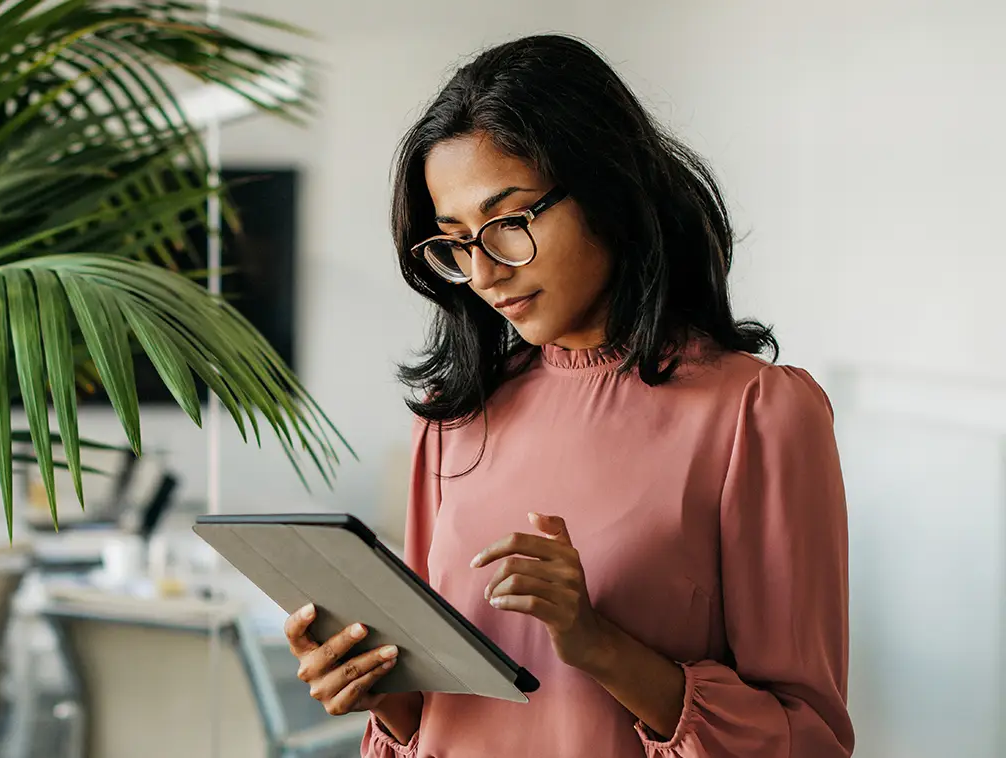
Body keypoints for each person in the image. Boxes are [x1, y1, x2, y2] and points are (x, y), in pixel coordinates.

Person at [283, 33, 855, 757]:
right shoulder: (457, 418)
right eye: (456, 242)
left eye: (510, 222)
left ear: (607, 188)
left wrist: (596, 642)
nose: (484, 272)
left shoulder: (758, 415)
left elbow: (808, 741)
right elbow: (441, 721)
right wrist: (381, 696)